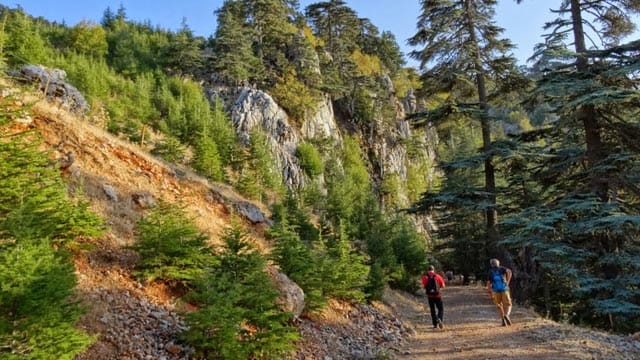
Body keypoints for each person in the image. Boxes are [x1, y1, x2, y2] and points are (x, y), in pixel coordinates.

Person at [486, 258, 513, 326]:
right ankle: (506, 315)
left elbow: (489, 283)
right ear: (498, 263)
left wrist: (489, 292)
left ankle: (503, 321)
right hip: (504, 289)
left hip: (496, 290)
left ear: (491, 264)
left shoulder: (490, 271)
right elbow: (509, 271)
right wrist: (508, 282)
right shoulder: (502, 268)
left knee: (499, 306)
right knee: (508, 304)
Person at [422, 265, 446, 329]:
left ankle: (435, 324)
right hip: (437, 295)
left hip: (430, 296)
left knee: (432, 310)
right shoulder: (438, 276)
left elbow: (424, 286)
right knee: (440, 309)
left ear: (428, 270)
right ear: (433, 269)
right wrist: (438, 288)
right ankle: (439, 318)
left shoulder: (425, 277)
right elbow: (443, 286)